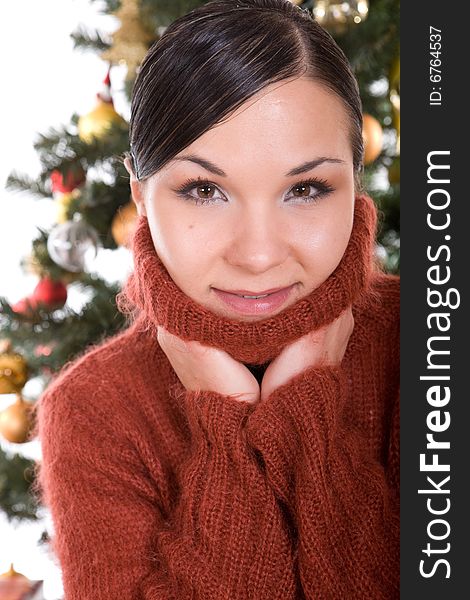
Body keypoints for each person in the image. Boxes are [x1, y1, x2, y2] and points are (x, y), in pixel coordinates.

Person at [33, 0, 400, 598]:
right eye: (204, 190)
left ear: (355, 187)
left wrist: (312, 430)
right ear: (142, 197)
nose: (257, 255)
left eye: (306, 188)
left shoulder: (434, 340)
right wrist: (227, 433)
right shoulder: (92, 411)